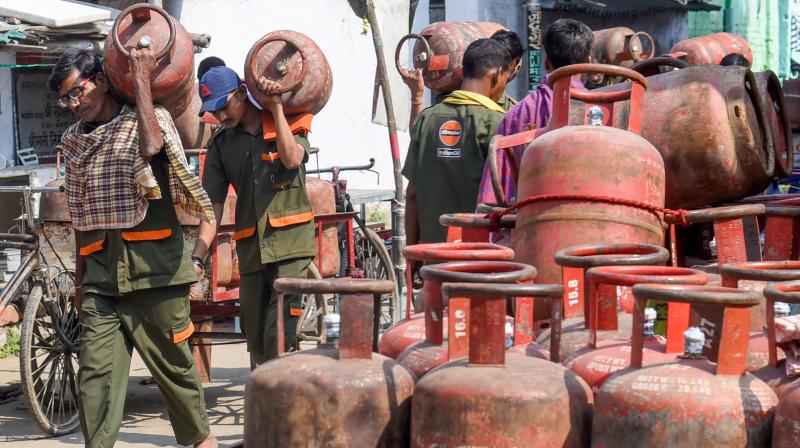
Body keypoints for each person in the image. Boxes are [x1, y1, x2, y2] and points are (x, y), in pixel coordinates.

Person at [50, 47, 217, 447]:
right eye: (65, 99)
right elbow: (79, 214)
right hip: (101, 280)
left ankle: (202, 442)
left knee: (175, 371)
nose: (74, 105)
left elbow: (152, 147)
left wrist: (141, 79)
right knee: (95, 377)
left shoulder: (148, 120)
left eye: (77, 92)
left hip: (155, 273)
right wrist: (80, 281)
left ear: (101, 81)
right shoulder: (73, 142)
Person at [191, 67, 315, 366]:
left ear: (242, 93)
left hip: (291, 246)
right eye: (214, 111)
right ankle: (269, 384)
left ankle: (279, 392)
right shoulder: (221, 145)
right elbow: (212, 208)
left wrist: (276, 108)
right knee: (255, 335)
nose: (220, 116)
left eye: (224, 106)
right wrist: (197, 257)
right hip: (252, 251)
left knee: (279, 332)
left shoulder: (290, 121)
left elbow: (292, 159)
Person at [404, 37, 513, 255]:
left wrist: (413, 252)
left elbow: (413, 193)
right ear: (497, 74)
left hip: (433, 257)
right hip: (481, 257)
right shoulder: (499, 123)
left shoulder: (426, 119)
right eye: (506, 78)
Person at [476, 19, 593, 210]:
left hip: (529, 221)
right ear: (589, 62)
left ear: (546, 62)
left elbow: (494, 194)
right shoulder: (603, 110)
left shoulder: (517, 114)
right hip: (591, 217)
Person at [401, 29, 523, 126]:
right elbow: (420, 134)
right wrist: (417, 97)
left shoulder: (512, 112)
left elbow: (418, 133)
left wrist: (417, 97)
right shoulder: (450, 99)